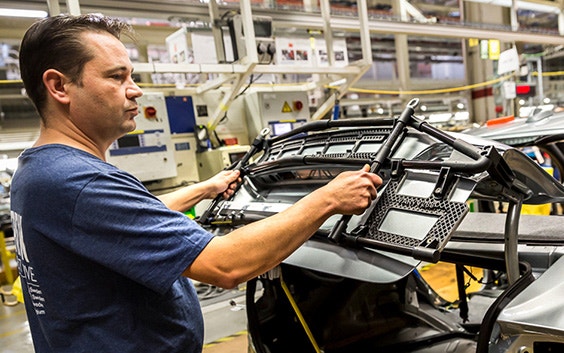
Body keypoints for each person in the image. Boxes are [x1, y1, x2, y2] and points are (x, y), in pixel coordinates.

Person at [10, 13, 382, 353]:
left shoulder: (40, 169)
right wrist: (327, 199)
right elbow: (225, 266)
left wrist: (205, 188)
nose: (135, 89)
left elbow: (121, 223)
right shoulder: (78, 182)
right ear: (59, 86)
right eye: (116, 76)